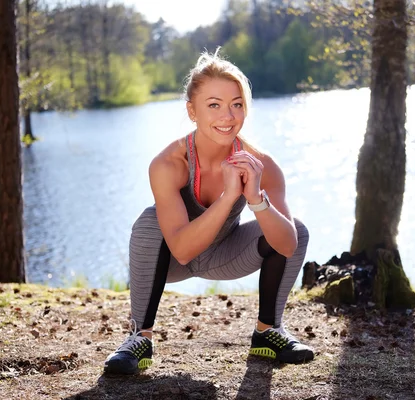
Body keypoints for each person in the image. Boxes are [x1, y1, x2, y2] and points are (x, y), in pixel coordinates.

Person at [104, 50, 313, 375]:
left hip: (227, 254)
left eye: (237, 104)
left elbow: (288, 245)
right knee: (148, 221)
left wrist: (256, 197)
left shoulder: (262, 165)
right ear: (193, 110)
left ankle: (268, 332)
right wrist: (230, 196)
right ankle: (138, 338)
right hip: (172, 257)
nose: (227, 116)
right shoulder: (169, 164)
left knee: (291, 227)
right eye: (214, 105)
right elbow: (183, 251)